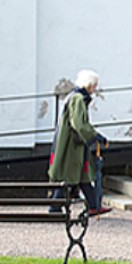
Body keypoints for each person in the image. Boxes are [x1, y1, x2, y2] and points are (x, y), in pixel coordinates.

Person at [48, 69, 111, 216]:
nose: (95, 89)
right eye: (94, 85)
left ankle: (94, 205)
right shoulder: (78, 99)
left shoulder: (75, 97)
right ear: (89, 85)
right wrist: (95, 136)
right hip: (72, 146)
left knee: (81, 175)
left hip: (74, 144)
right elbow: (78, 124)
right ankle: (55, 207)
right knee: (69, 175)